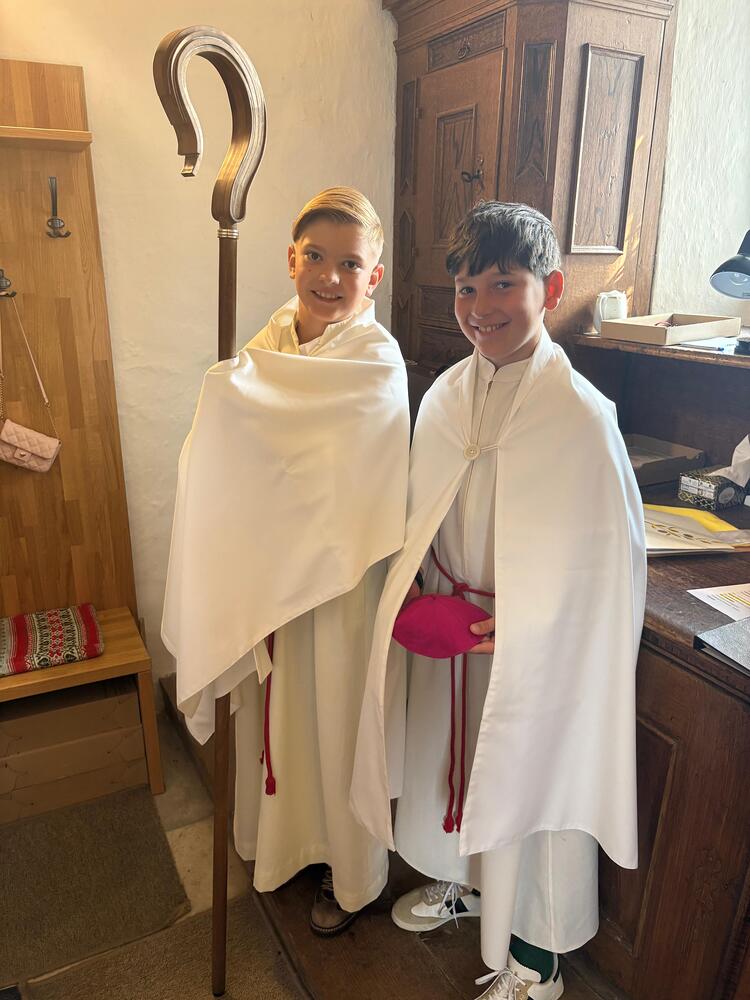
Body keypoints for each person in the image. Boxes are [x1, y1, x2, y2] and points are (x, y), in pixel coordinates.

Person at [351, 201, 646, 997]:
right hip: (455, 636)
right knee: (454, 767)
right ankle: (470, 888)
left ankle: (537, 962)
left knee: (534, 790)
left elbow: (610, 560)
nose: (481, 307)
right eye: (465, 288)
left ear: (551, 288)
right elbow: (422, 507)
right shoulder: (447, 394)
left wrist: (528, 624)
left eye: (503, 284)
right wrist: (418, 588)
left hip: (533, 650)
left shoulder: (580, 416)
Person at [162, 187, 410, 935]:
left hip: (339, 583)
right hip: (269, 577)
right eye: (316, 257)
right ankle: (280, 847)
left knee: (335, 723)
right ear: (291, 259)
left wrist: (244, 414)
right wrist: (224, 401)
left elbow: (356, 479)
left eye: (350, 263)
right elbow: (233, 459)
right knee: (279, 722)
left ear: (375, 275)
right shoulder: (266, 344)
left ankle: (347, 870)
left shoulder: (376, 361)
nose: (331, 277)